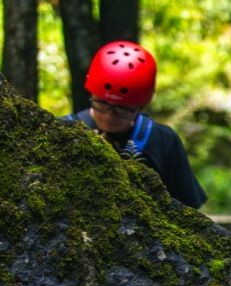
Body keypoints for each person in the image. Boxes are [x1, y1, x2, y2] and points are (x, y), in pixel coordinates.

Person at [67, 40, 206, 208]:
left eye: (123, 108)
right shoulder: (62, 131)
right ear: (92, 93)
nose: (110, 115)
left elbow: (188, 208)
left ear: (142, 105)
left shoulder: (162, 140)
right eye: (102, 103)